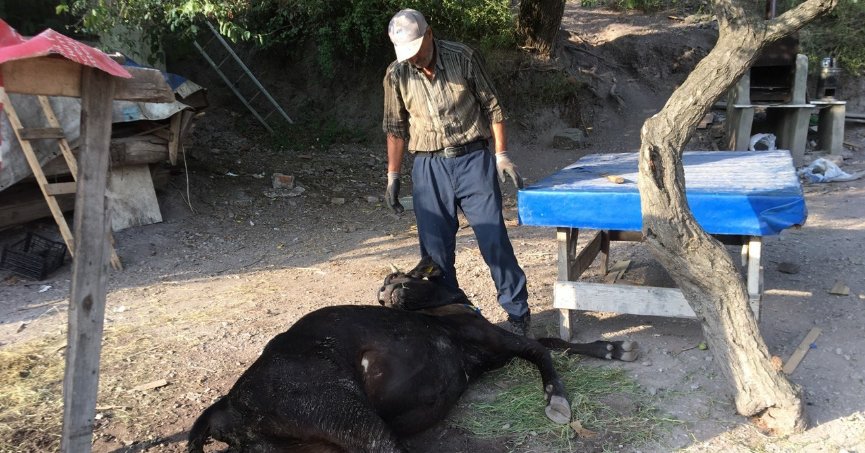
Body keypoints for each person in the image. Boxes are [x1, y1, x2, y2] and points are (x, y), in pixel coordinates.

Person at [382, 8, 532, 336]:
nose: (414, 59)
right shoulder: (397, 74)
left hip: (472, 159)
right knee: (434, 252)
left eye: (417, 51)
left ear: (430, 35)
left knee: (493, 237)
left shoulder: (462, 57)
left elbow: (493, 107)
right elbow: (395, 129)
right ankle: (451, 317)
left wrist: (501, 155)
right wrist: (393, 176)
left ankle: (518, 314)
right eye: (406, 54)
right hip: (428, 166)